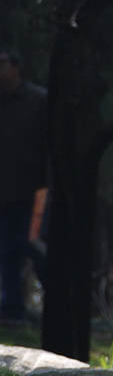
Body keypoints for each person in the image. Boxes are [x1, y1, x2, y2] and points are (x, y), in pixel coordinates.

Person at [0, 48, 48, 323]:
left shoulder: (37, 101)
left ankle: (55, 304)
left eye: (3, 63)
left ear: (16, 66)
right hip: (5, 190)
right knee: (7, 250)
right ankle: (12, 308)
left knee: (31, 246)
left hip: (33, 191)